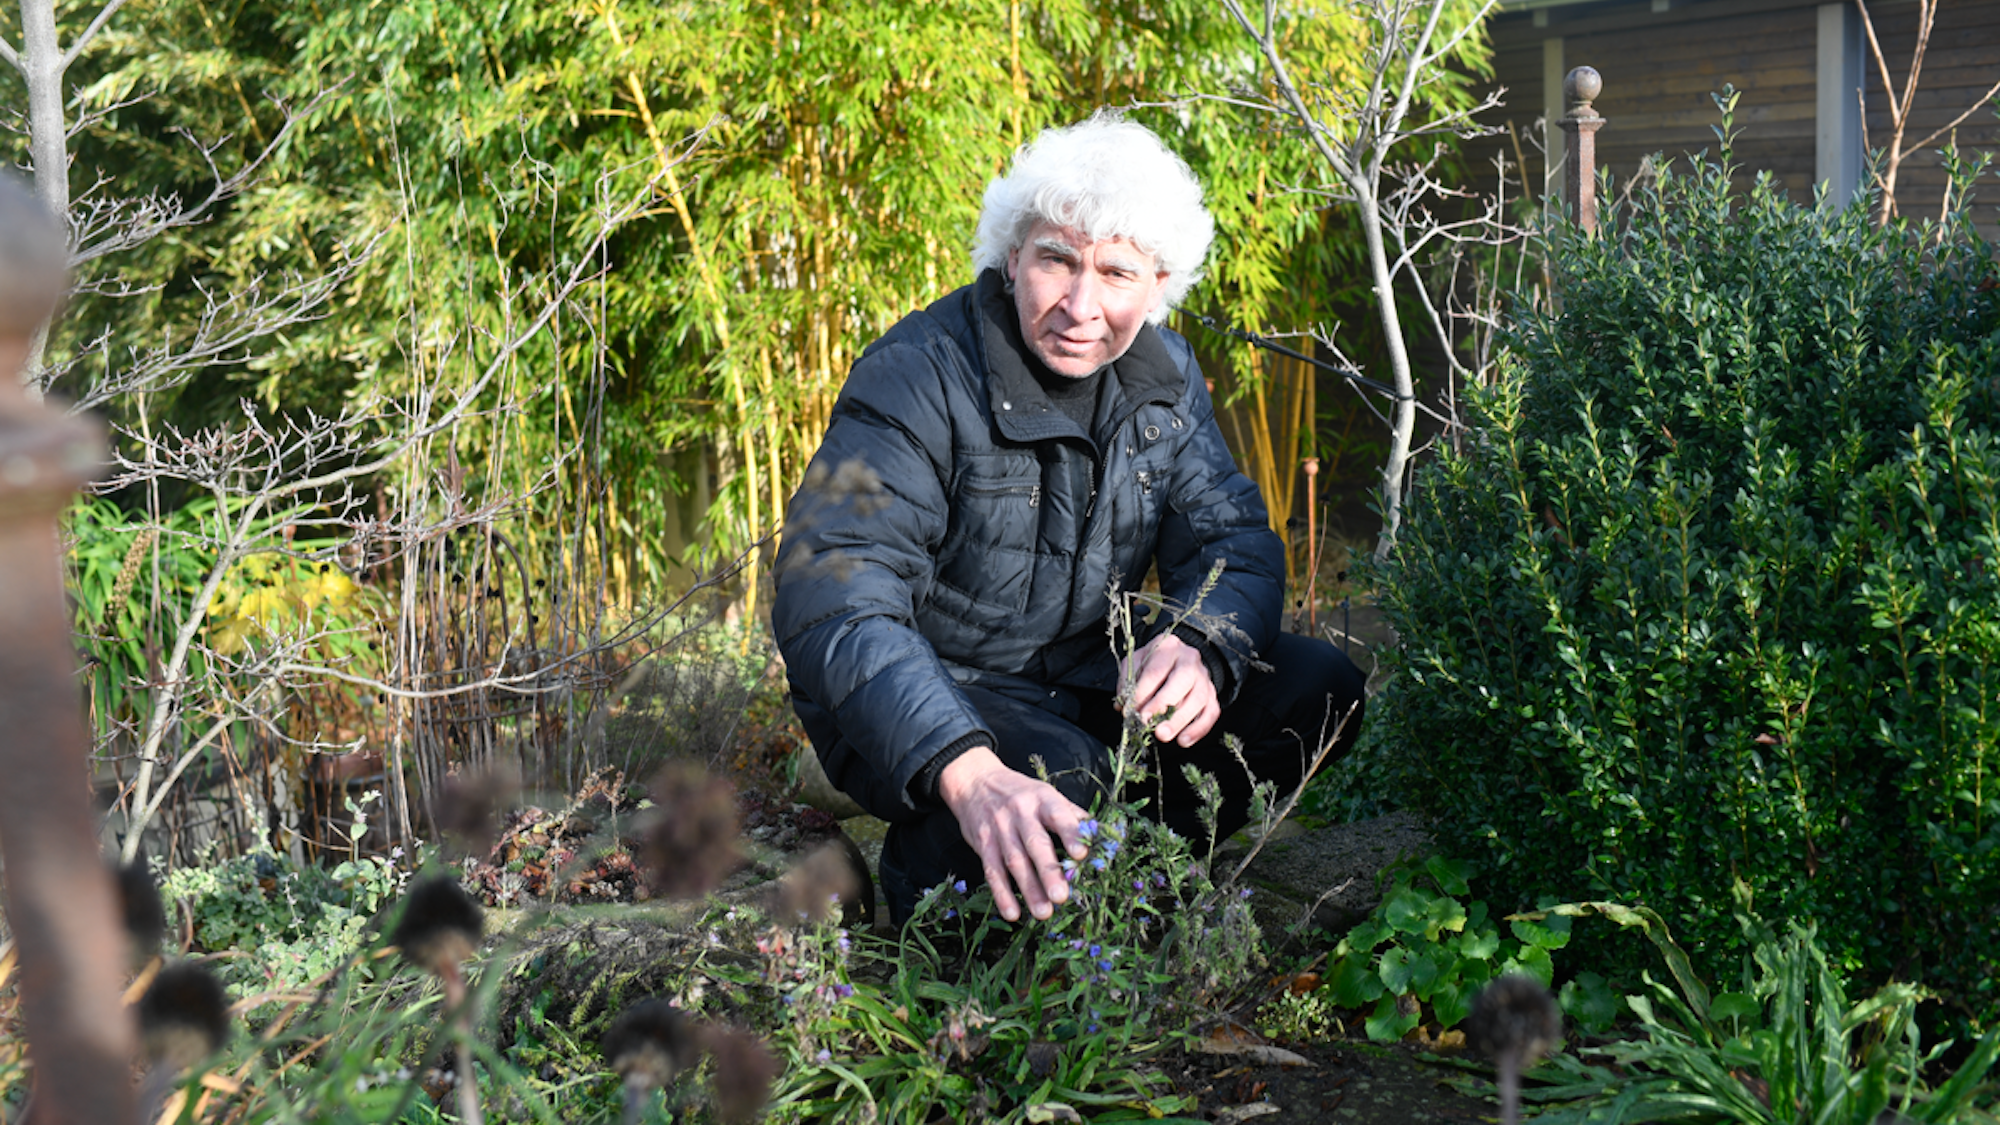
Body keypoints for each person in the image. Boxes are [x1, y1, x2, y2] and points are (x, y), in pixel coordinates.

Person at [772, 112, 1368, 927]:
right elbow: (835, 589)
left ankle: (1128, 869)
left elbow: (1231, 540)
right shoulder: (918, 374)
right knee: (1063, 772)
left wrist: (1197, 641)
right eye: (1057, 259)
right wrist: (966, 767)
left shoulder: (1164, 377)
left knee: (1319, 688)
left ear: (1158, 286)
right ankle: (941, 888)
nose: (1081, 305)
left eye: (1117, 273)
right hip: (932, 695)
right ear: (1012, 256)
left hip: (1085, 677)